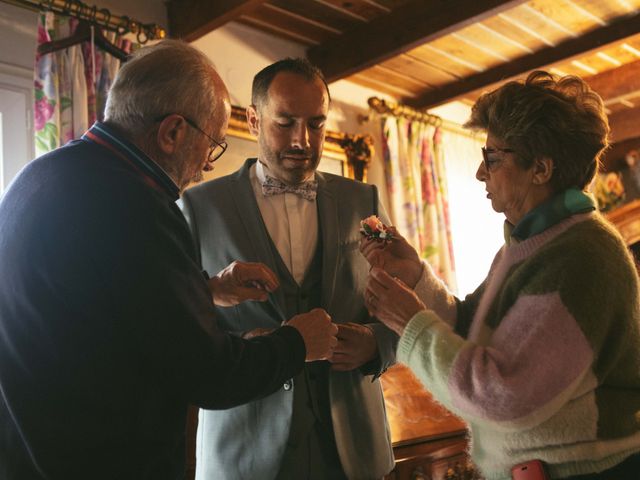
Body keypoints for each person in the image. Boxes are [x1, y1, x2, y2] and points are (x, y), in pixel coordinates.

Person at [0, 40, 338, 480]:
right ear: (173, 131)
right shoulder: (138, 206)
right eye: (213, 144)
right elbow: (209, 373)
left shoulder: (44, 174)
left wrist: (206, 289)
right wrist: (296, 342)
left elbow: (107, 298)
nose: (205, 168)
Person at [361, 71, 640, 479]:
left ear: (540, 169)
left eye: (492, 158)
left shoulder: (582, 256)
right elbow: (473, 327)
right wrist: (416, 276)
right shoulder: (534, 243)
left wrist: (409, 321)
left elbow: (504, 396)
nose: (479, 172)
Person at [180, 58, 396, 479]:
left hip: (353, 449)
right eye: (285, 122)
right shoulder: (199, 208)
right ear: (253, 118)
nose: (303, 140)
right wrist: (246, 346)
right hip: (245, 449)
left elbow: (403, 308)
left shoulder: (362, 202)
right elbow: (176, 325)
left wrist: (375, 344)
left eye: (316, 124)